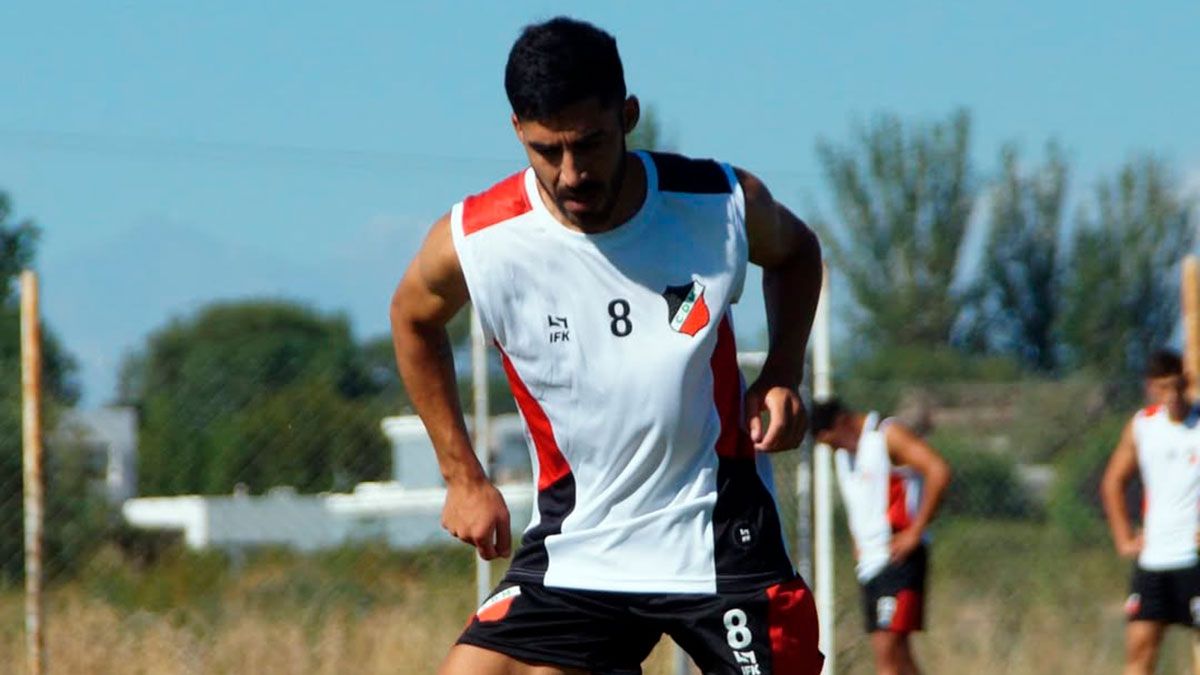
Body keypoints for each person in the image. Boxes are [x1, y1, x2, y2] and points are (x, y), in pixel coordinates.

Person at [389, 16, 825, 675]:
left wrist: (783, 373)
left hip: (719, 543)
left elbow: (796, 254)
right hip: (582, 546)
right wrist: (461, 475)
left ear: (627, 116)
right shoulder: (481, 239)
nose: (570, 174)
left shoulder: (716, 204)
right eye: (545, 150)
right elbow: (412, 317)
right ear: (517, 131)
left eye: (589, 144)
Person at [810, 398, 951, 675]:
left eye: (832, 442)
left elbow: (938, 470)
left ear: (841, 423)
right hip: (870, 565)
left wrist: (915, 531)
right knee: (895, 653)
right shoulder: (844, 456)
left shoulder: (886, 436)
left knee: (888, 650)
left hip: (899, 558)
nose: (834, 449)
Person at [1101, 349, 1200, 675]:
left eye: (1176, 386)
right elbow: (1113, 481)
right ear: (1150, 388)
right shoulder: (1142, 427)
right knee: (1139, 654)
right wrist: (1123, 538)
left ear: (1186, 382)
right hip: (1154, 559)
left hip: (1194, 557)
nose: (1171, 396)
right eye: (1162, 388)